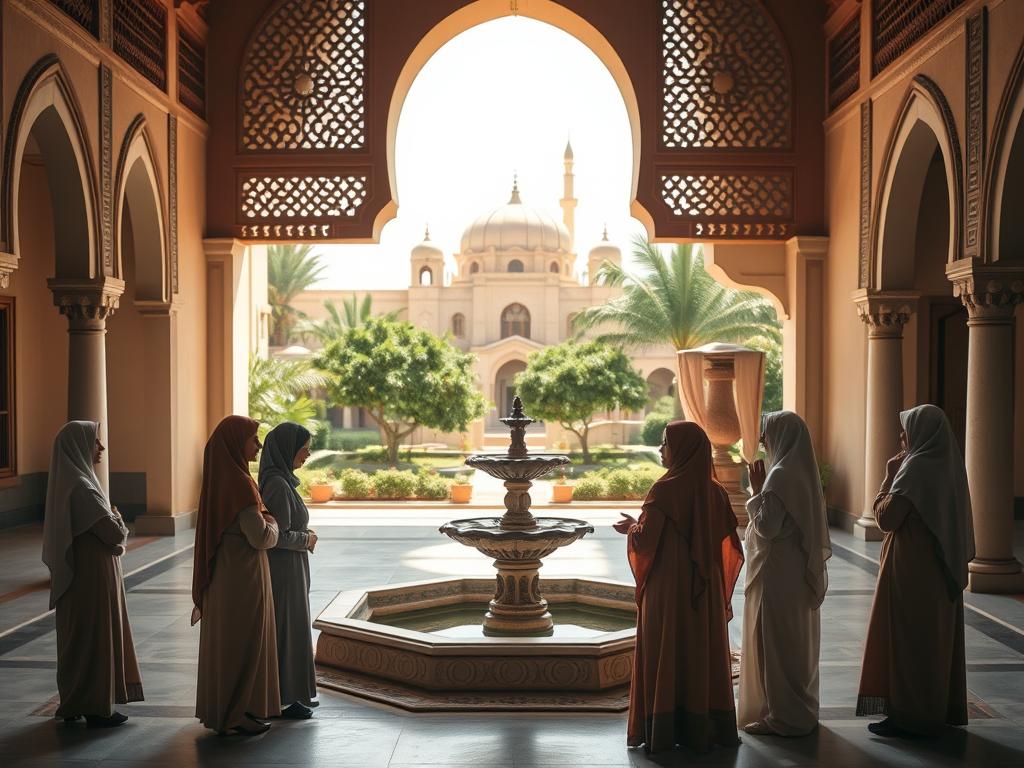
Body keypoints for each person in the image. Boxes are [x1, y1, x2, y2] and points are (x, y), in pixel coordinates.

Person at [614, 421, 744, 754]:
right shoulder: (714, 492)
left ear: (682, 449)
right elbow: (732, 547)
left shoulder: (665, 490)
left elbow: (645, 542)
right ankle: (701, 728)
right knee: (699, 652)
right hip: (704, 591)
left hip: (667, 591)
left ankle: (664, 730)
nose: (661, 449)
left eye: (665, 444)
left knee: (666, 650)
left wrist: (631, 528)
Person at [857, 404, 974, 737]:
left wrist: (888, 476)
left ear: (922, 432)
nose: (901, 437)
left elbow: (886, 518)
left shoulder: (916, 468)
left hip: (913, 574)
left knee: (909, 643)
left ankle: (909, 718)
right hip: (938, 572)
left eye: (906, 430)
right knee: (932, 643)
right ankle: (934, 710)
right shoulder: (949, 466)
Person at [42, 421, 144, 728]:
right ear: (79, 446)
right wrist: (118, 517)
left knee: (80, 637)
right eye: (96, 442)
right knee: (94, 637)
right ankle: (96, 706)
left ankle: (76, 700)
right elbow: (113, 533)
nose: (101, 448)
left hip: (87, 573)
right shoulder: (83, 488)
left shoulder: (74, 482)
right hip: (92, 577)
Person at [738, 411, 831, 736]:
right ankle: (800, 709)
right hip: (795, 572)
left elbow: (766, 527)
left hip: (778, 574)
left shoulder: (779, 476)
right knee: (795, 641)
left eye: (766, 433)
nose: (763, 440)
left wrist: (756, 490)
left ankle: (782, 716)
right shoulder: (801, 471)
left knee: (775, 641)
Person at [193, 416, 281, 735]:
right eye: (253, 439)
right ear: (235, 442)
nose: (258, 445)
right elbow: (259, 536)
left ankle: (226, 710)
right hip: (242, 576)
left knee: (226, 642)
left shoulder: (221, 478)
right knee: (243, 642)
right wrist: (274, 526)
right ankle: (235, 714)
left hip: (225, 575)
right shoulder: (240, 484)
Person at [259, 422, 319, 719]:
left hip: (291, 568)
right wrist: (305, 538)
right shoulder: (276, 485)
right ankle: (283, 696)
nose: (308, 453)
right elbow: (276, 537)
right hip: (283, 570)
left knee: (292, 628)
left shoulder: (282, 481)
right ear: (288, 449)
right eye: (304, 447)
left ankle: (291, 693)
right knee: (286, 629)